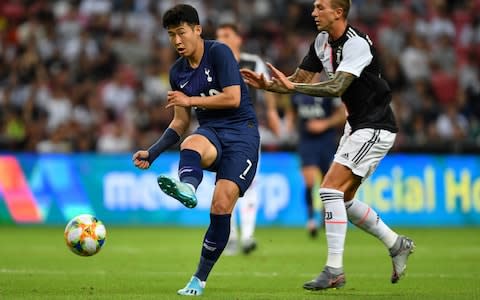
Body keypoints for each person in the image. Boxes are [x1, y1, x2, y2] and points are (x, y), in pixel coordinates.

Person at [241, 0, 415, 290]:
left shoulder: (357, 44)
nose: (313, 12)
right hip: (356, 125)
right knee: (342, 200)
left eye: (320, 7)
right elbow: (299, 79)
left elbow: (336, 87)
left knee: (328, 189)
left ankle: (334, 269)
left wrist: (293, 88)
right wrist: (267, 85)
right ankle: (396, 243)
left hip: (375, 126)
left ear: (339, 12)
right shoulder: (322, 40)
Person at [132, 4, 260, 296]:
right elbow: (179, 123)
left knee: (221, 205)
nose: (176, 40)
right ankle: (188, 188)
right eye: (171, 35)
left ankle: (199, 279)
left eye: (181, 32)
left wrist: (189, 101)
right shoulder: (177, 72)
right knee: (190, 142)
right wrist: (152, 153)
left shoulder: (219, 53)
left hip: (242, 136)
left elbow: (233, 97)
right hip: (211, 133)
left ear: (197, 30)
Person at [216, 23, 281, 255]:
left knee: (250, 183)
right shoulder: (212, 63)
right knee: (225, 184)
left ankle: (248, 236)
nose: (221, 39)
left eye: (226, 35)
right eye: (218, 36)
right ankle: (231, 236)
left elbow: (267, 88)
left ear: (238, 39)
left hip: (248, 130)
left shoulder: (252, 63)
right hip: (220, 130)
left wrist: (272, 113)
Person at [290, 91, 345, 238]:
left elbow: (342, 114)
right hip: (306, 141)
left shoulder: (328, 90)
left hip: (326, 141)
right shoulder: (296, 92)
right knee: (309, 180)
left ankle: (325, 217)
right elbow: (292, 113)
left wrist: (325, 124)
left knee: (326, 183)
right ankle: (310, 220)